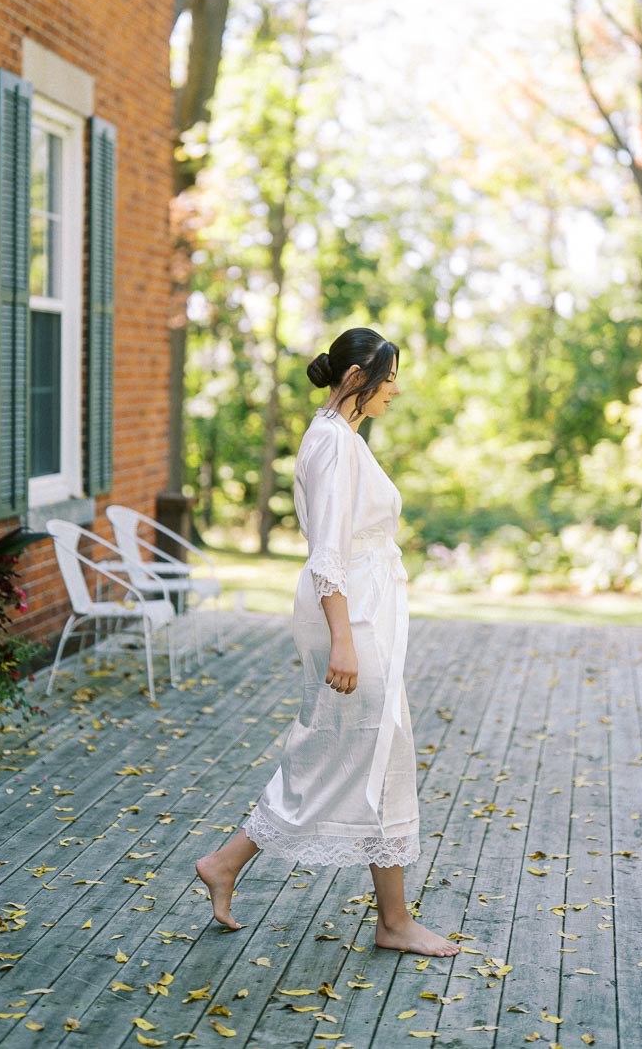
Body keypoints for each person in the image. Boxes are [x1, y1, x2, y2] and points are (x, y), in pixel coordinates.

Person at [196, 327, 460, 957]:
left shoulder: (339, 437)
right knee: (354, 747)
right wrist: (343, 639)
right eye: (388, 376)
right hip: (350, 616)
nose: (395, 388)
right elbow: (328, 556)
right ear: (357, 380)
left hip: (363, 612)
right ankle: (234, 863)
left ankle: (386, 917)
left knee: (374, 750)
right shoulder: (334, 446)